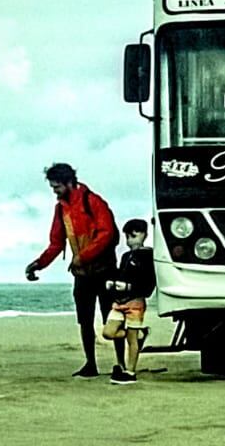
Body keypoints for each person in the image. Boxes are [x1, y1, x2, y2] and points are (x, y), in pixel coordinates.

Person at [24, 162, 122, 377]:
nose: (55, 192)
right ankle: (91, 364)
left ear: (70, 182)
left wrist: (81, 257)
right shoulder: (61, 208)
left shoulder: (93, 202)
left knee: (111, 318)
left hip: (104, 270)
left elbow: (106, 235)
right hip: (82, 274)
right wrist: (39, 264)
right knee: (85, 320)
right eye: (52, 187)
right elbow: (56, 243)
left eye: (57, 187)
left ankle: (121, 363)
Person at [103, 218, 156, 385]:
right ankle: (139, 335)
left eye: (134, 236)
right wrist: (112, 282)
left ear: (144, 235)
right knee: (108, 332)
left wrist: (127, 286)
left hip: (135, 302)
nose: (130, 240)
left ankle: (130, 371)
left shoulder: (149, 255)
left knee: (132, 340)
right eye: (128, 237)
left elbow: (148, 282)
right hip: (120, 302)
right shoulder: (126, 256)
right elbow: (121, 274)